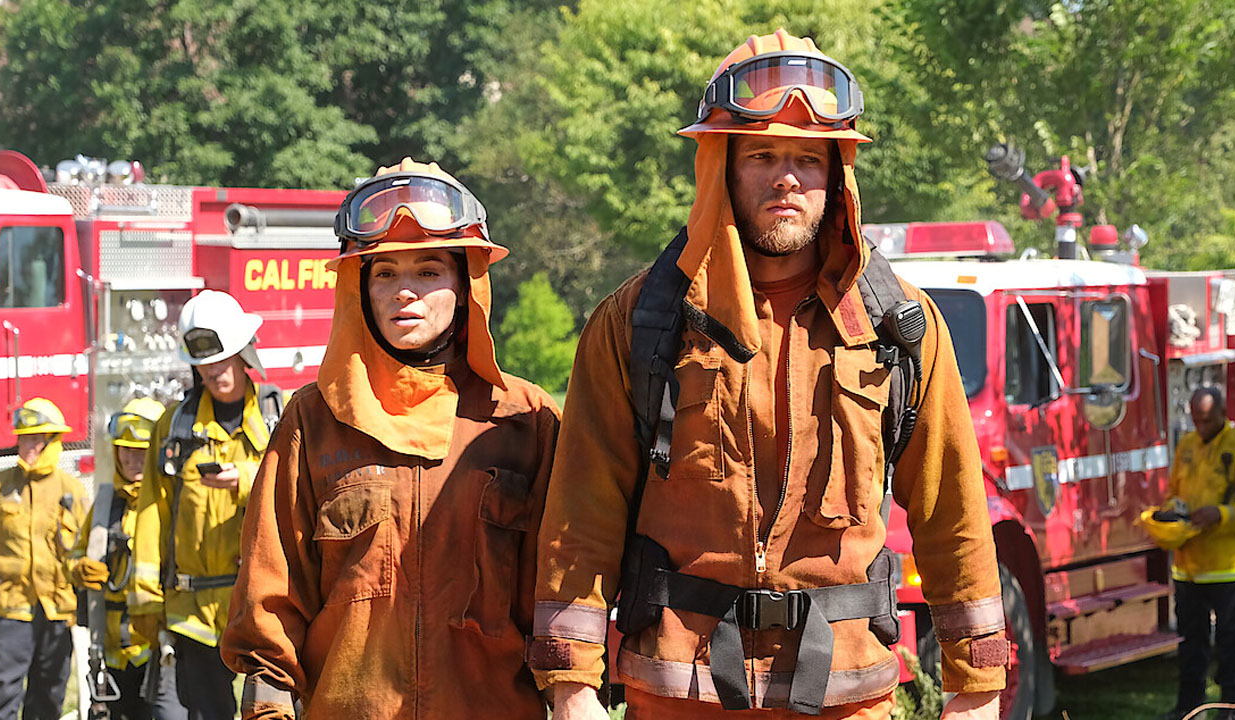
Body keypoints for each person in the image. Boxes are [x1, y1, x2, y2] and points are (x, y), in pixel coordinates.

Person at [529, 29, 1007, 720]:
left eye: (808, 158)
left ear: (837, 173)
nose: (788, 176)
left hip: (847, 693)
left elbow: (954, 512)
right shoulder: (639, 322)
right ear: (719, 166)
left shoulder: (898, 326)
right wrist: (572, 687)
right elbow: (582, 515)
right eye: (762, 155)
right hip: (680, 690)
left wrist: (976, 686)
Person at [220, 158, 561, 719]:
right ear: (360, 288)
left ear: (466, 285)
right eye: (384, 273)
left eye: (429, 272)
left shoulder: (525, 420)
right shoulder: (312, 422)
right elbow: (269, 601)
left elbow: (559, 597)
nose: (406, 292)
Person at [129, 289, 282, 720]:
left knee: (268, 712)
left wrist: (248, 481)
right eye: (204, 363)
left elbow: (299, 494)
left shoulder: (281, 416)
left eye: (222, 359)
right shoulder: (173, 428)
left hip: (261, 606)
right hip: (190, 612)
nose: (214, 371)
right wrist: (144, 598)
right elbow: (151, 510)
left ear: (244, 352)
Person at [72, 397, 187, 720]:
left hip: (162, 651)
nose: (133, 460)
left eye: (141, 451)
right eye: (126, 451)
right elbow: (79, 551)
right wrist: (78, 567)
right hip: (113, 656)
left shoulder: (172, 502)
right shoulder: (105, 503)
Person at [0, 397, 88, 720]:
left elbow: (86, 553)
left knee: (49, 696)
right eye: (24, 437)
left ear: (53, 441)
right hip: (12, 610)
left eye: (37, 438)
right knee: (1, 694)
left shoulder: (73, 490)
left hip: (57, 611)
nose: (28, 445)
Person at [1160, 387, 1235, 720]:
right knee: (1190, 642)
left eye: (1207, 420)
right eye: (1196, 420)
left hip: (1227, 568)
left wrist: (1222, 515)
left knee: (1229, 640)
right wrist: (1169, 516)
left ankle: (1233, 707)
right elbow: (1174, 493)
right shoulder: (1186, 447)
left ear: (1222, 414)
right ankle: (1190, 707)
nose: (1201, 427)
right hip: (1188, 566)